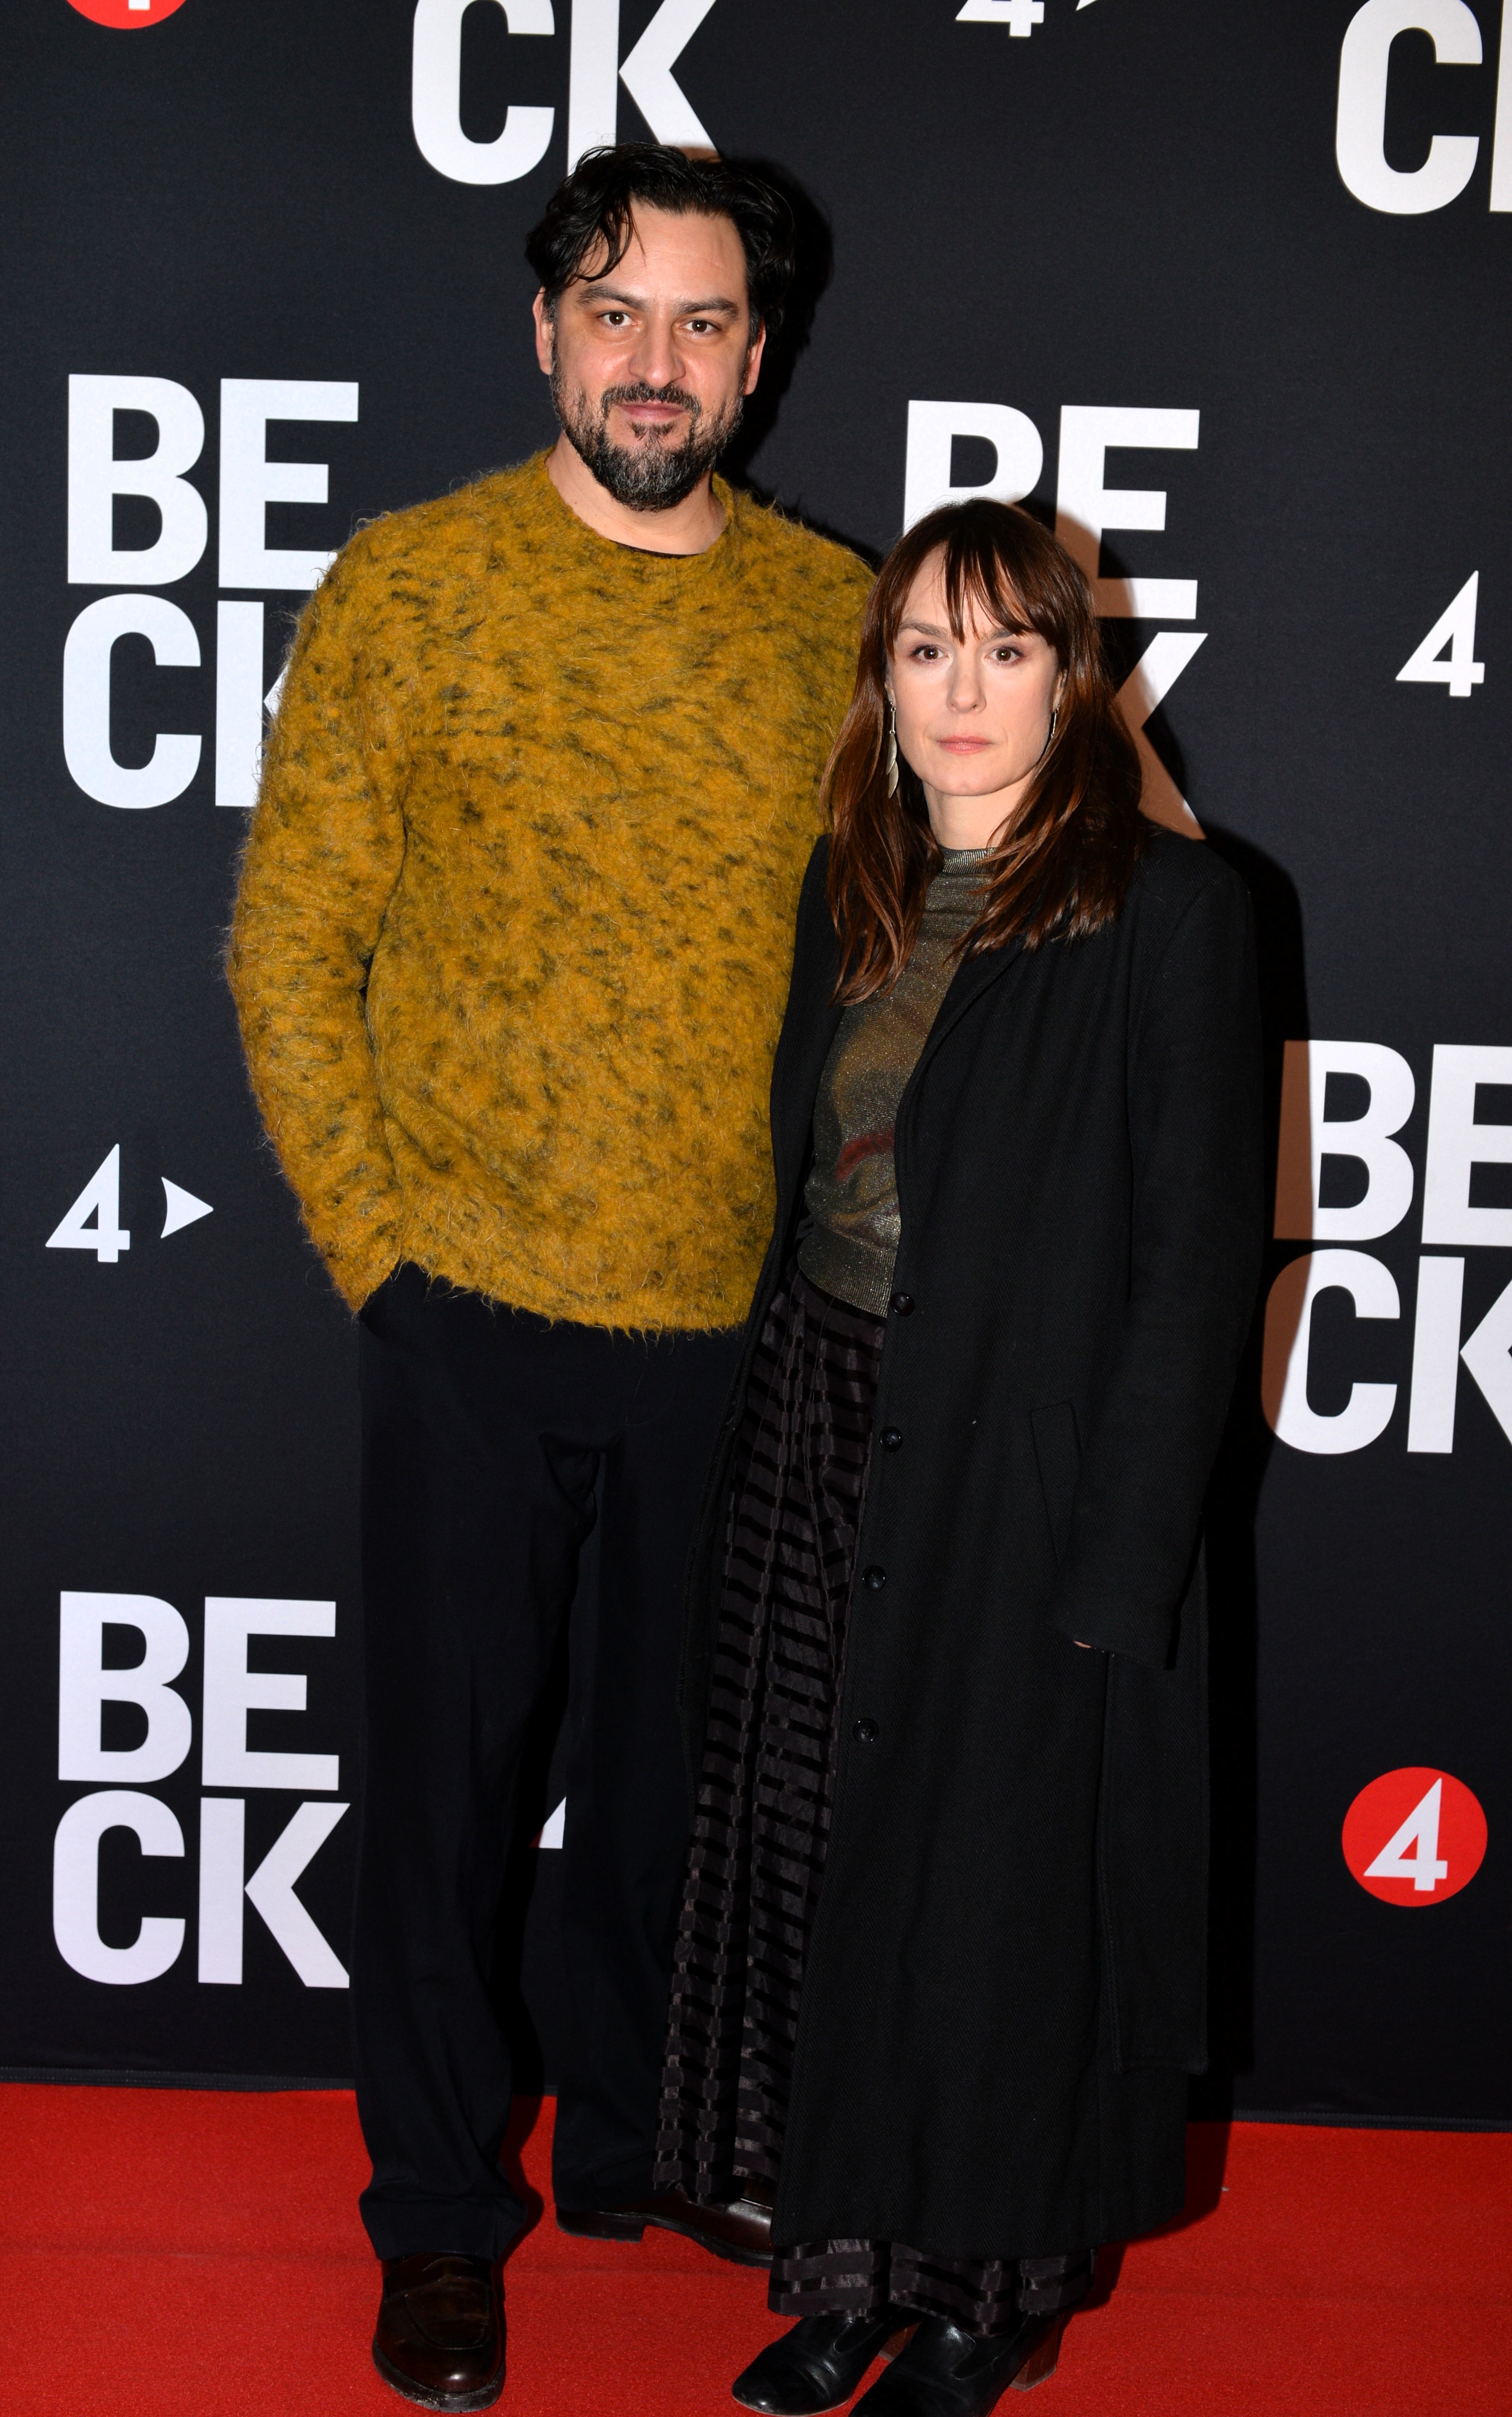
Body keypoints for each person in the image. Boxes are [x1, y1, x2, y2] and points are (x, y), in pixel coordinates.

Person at [227, 145, 871, 2411]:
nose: (654, 362)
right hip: (468, 1307)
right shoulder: (411, 585)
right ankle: (434, 2215)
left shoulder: (835, 618)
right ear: (544, 334)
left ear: (757, 358)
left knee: (682, 1780)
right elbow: (293, 938)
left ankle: (639, 2143)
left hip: (731, 1320)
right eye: (615, 312)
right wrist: (379, 1253)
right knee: (445, 1794)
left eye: (701, 321)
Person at [656, 499, 1263, 2417]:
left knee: (995, 1904)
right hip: (823, 1432)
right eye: (926, 648)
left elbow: (1195, 1273)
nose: (963, 689)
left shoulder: (1175, 912)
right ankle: (841, 2265)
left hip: (1028, 1474)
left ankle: (985, 2296)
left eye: (1007, 647)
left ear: (1074, 677)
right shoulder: (855, 874)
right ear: (884, 679)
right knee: (826, 1871)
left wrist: (1121, 1569)